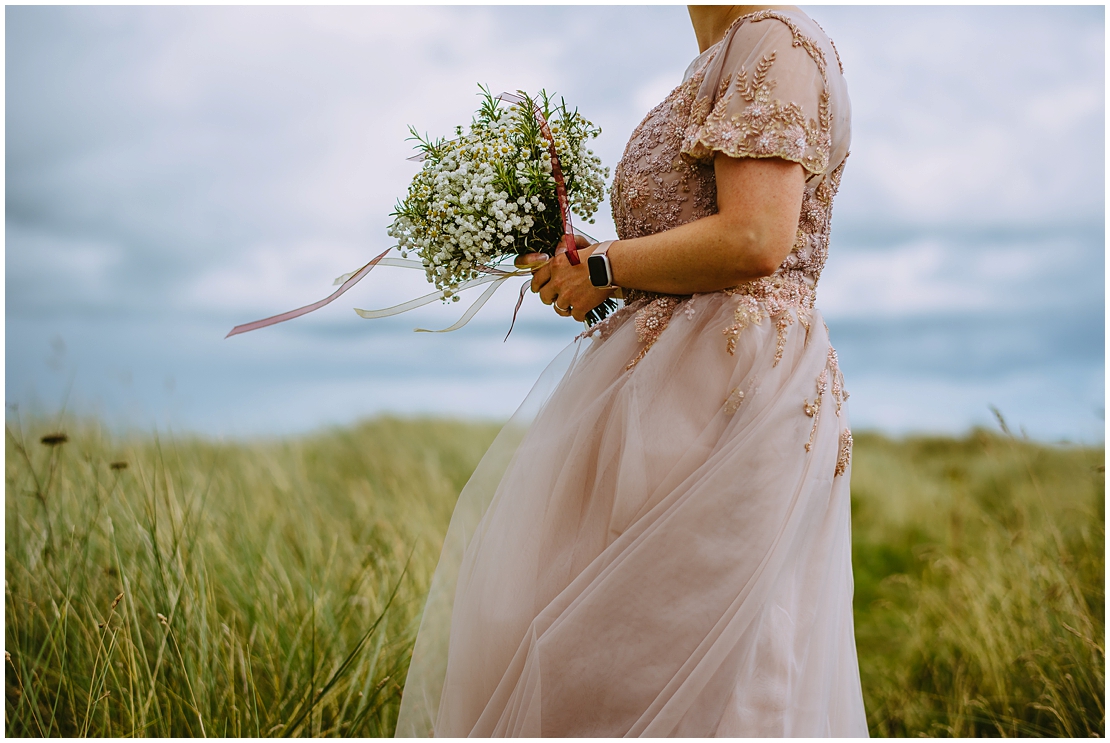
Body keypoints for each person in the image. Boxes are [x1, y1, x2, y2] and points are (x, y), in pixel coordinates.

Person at [396, 5, 867, 736]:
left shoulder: (773, 40)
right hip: (669, 396)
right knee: (615, 668)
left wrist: (609, 266)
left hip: (729, 402)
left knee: (696, 675)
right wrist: (594, 261)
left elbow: (757, 235)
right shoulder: (718, 55)